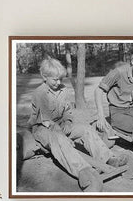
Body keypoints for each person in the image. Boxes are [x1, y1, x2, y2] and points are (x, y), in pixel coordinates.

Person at [28, 57, 126, 192]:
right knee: (60, 139)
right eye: (55, 80)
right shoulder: (39, 93)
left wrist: (68, 122)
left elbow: (68, 111)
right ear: (44, 77)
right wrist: (64, 136)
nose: (58, 82)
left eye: (60, 79)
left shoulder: (64, 90)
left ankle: (107, 158)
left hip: (60, 125)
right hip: (44, 129)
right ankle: (84, 171)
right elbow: (47, 121)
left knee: (85, 129)